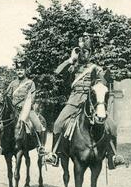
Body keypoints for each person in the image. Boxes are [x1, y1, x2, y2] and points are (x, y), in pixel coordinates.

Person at [43, 33, 126, 169]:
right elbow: (57, 72)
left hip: (91, 101)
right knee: (58, 124)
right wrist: (70, 59)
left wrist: (105, 76)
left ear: (90, 53)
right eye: (80, 51)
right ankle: (54, 155)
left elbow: (103, 81)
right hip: (74, 100)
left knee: (112, 126)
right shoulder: (72, 67)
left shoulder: (95, 68)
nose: (83, 54)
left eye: (86, 51)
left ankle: (113, 157)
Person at [0, 58, 46, 155]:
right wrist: (2, 97)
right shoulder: (13, 83)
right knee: (2, 125)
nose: (19, 72)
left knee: (38, 125)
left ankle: (40, 146)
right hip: (13, 110)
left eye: (21, 70)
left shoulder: (30, 83)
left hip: (27, 110)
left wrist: (25, 106)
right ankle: (1, 145)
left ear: (25, 70)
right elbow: (8, 96)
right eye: (18, 70)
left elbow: (32, 98)